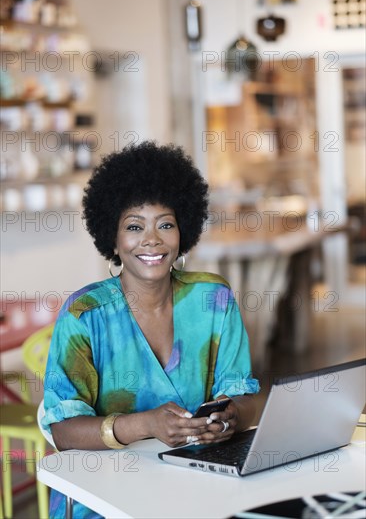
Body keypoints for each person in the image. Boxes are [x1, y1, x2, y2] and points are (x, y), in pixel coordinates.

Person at [43, 141, 260, 518]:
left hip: (197, 485)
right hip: (103, 497)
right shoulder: (85, 314)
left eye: (165, 224)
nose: (151, 240)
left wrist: (229, 419)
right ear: (112, 237)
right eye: (133, 226)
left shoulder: (214, 299)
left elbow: (243, 395)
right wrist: (146, 424)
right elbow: (63, 431)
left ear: (183, 231)